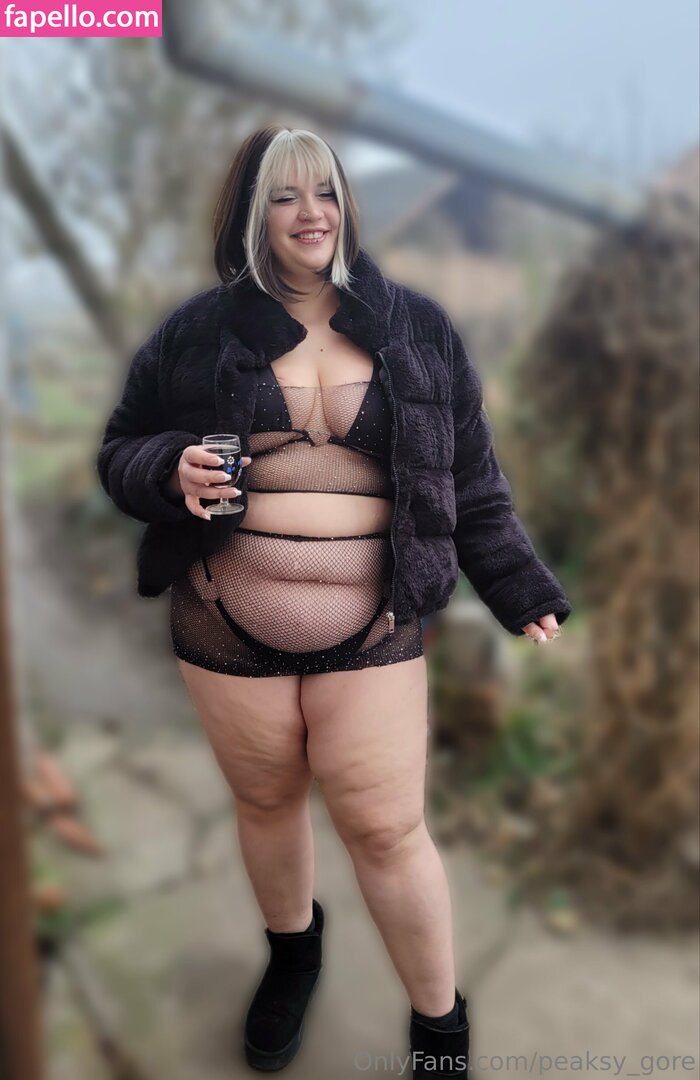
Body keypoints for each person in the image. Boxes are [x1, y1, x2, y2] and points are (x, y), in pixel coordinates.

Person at [96, 125, 572, 1078]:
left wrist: (516, 585)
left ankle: (440, 1029)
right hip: (222, 616)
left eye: (324, 192)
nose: (310, 213)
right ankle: (293, 953)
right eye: (285, 195)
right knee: (267, 800)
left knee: (387, 827)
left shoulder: (417, 328)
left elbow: (471, 481)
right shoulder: (197, 332)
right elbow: (120, 448)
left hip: (376, 624)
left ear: (347, 206)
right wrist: (167, 468)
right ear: (252, 214)